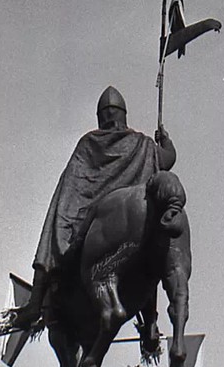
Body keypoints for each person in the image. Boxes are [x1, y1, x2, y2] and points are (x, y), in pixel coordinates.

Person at [13, 86, 176, 330]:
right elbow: (167, 160)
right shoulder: (144, 145)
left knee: (57, 212)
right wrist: (165, 141)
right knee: (149, 239)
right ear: (124, 115)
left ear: (101, 118)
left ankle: (36, 302)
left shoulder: (89, 143)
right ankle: (150, 323)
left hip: (91, 218)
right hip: (133, 221)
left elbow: (72, 187)